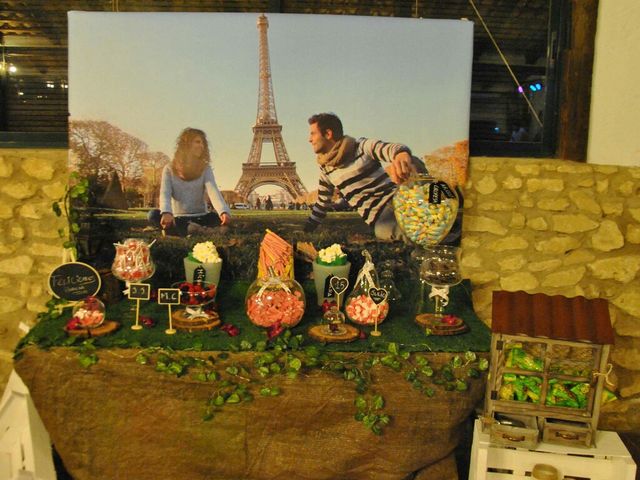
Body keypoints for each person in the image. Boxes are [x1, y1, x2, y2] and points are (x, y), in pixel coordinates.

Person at [304, 113, 425, 240]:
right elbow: (322, 203)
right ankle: (431, 230)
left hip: (399, 199)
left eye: (313, 133)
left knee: (413, 161)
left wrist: (401, 155)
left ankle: (434, 207)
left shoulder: (361, 147)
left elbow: (389, 148)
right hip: (380, 216)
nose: (309, 139)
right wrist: (308, 229)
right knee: (385, 230)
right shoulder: (326, 169)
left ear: (328, 134)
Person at [148, 127, 231, 236]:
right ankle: (201, 230)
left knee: (215, 217)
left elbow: (213, 190)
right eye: (197, 142)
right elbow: (165, 194)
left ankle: (186, 230)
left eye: (203, 143)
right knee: (153, 215)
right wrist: (167, 212)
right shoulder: (169, 168)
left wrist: (223, 211)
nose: (201, 146)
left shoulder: (205, 168)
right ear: (186, 145)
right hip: (177, 216)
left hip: (201, 216)